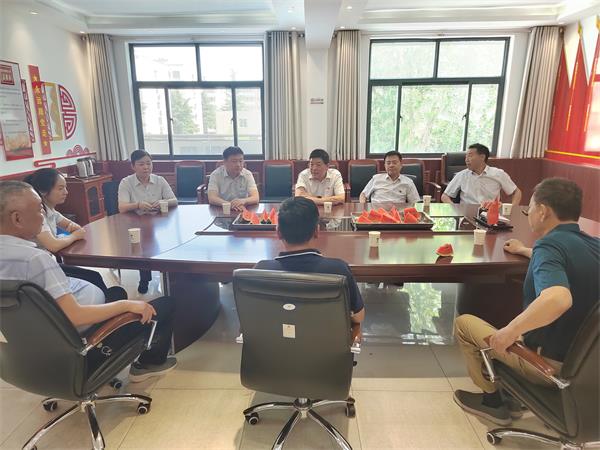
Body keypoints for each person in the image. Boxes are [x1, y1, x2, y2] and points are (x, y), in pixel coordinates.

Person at [453, 178, 599, 425]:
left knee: (464, 324)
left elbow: (558, 298)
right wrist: (524, 251)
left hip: (550, 366)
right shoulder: (593, 244)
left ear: (542, 211)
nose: (528, 213)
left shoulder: (548, 246)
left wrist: (510, 332)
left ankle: (492, 402)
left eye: (529, 208)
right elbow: (568, 264)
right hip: (590, 366)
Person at [0, 181, 177, 382]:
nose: (43, 215)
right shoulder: (35, 259)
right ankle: (147, 364)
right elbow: (74, 316)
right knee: (165, 304)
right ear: (17, 218)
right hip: (79, 337)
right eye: (39, 209)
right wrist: (126, 305)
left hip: (34, 344)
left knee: (116, 292)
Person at [255, 197, 365, 331]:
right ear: (317, 231)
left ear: (278, 233)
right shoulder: (338, 270)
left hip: (275, 341)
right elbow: (358, 316)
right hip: (325, 342)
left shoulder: (261, 270)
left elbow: (253, 315)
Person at [23, 168, 115, 298]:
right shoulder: (38, 214)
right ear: (43, 191)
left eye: (65, 188)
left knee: (94, 276)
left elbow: (74, 227)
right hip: (39, 270)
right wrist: (74, 236)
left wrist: (70, 233)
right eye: (60, 188)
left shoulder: (51, 210)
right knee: (93, 277)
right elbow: (53, 245)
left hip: (48, 263)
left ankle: (106, 302)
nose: (66, 192)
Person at [118, 149, 178, 293]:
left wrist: (163, 202)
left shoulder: (159, 180)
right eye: (141, 164)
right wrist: (138, 205)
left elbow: (174, 201)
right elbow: (122, 207)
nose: (146, 167)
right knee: (142, 248)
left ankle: (171, 276)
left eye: (148, 163)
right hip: (137, 222)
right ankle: (144, 278)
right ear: (133, 166)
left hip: (160, 222)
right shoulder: (126, 182)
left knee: (166, 245)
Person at [441, 143, 522, 206]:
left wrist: (512, 209)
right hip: (467, 213)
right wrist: (456, 209)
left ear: (482, 157)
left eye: (470, 156)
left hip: (490, 213)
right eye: (466, 156)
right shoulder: (461, 175)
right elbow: (445, 196)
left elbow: (516, 192)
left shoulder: (498, 174)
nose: (466, 160)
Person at [207, 146, 259, 211]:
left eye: (241, 161)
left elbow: (255, 197)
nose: (238, 165)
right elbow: (212, 198)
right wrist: (229, 205)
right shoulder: (215, 175)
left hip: (242, 209)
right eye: (234, 161)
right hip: (222, 210)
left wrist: (243, 201)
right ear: (225, 162)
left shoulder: (247, 174)